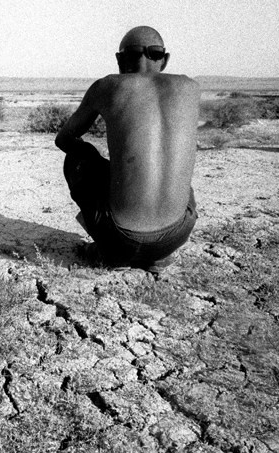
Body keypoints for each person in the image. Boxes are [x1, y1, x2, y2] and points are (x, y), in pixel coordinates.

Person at [55, 25, 200, 273]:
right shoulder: (191, 88)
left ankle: (110, 253)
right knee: (174, 171)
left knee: (77, 159)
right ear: (164, 60)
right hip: (177, 235)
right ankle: (155, 257)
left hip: (119, 238)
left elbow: (64, 139)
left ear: (120, 60)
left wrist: (102, 163)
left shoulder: (107, 86)